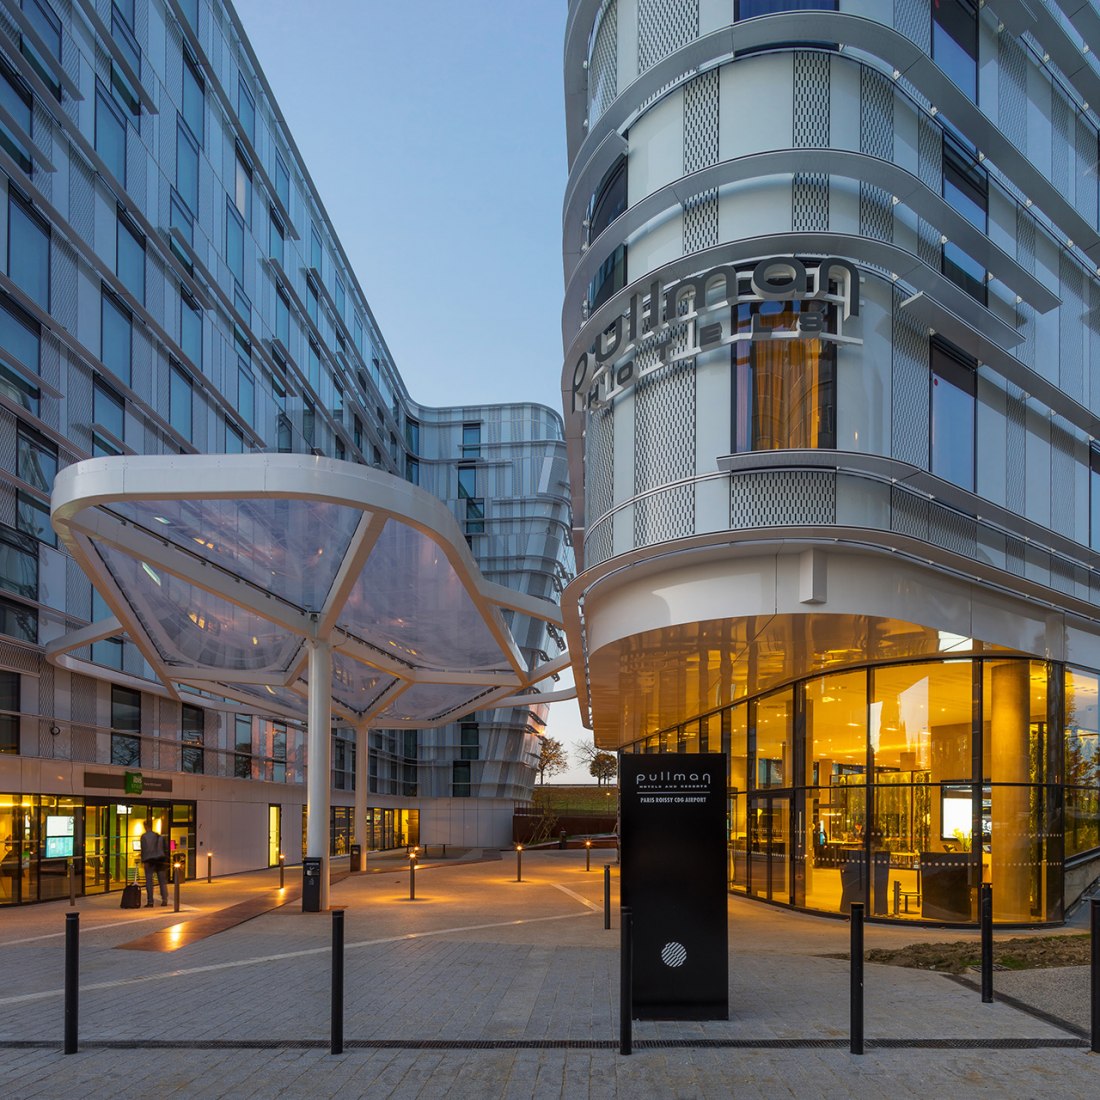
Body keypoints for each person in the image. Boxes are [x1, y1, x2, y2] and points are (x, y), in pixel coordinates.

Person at [140, 824, 168, 907]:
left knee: (149, 881)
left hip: (149, 860)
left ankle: (150, 902)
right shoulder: (159, 836)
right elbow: (165, 848)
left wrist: (143, 860)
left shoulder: (144, 837)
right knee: (162, 882)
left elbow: (144, 849)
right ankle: (164, 900)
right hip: (160, 860)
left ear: (145, 826)